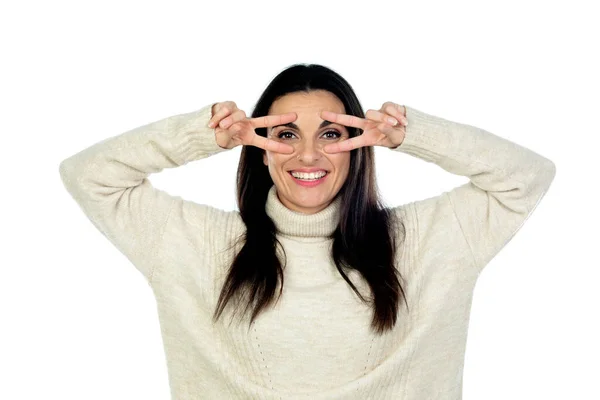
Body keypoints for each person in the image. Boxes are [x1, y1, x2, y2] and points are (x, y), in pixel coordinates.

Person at [58, 63, 556, 399]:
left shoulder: (428, 239)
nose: (309, 156)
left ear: (359, 143)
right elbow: (89, 175)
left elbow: (526, 177)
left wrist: (412, 136)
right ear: (259, 145)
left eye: (332, 134)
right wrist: (202, 135)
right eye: (286, 135)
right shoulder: (195, 243)